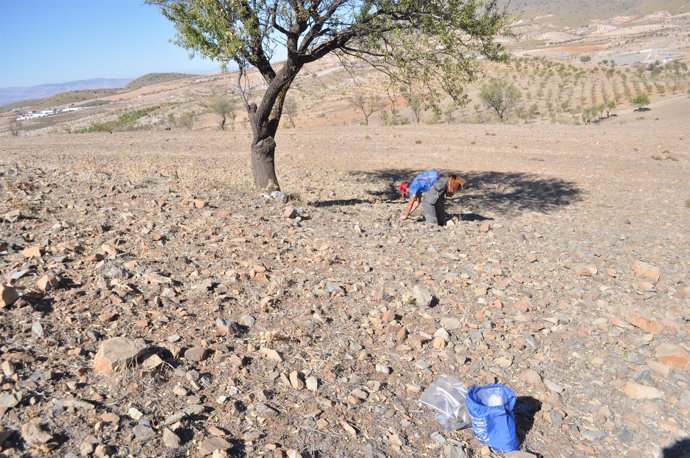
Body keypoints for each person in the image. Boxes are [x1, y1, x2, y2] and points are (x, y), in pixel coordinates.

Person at [399, 171, 465, 225]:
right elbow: (416, 203)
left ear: (407, 188)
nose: (406, 194)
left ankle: (432, 224)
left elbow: (410, 203)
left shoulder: (413, 187)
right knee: (437, 201)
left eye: (405, 192)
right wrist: (407, 214)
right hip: (444, 178)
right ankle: (441, 221)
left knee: (427, 201)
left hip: (440, 180)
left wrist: (405, 216)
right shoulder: (417, 185)